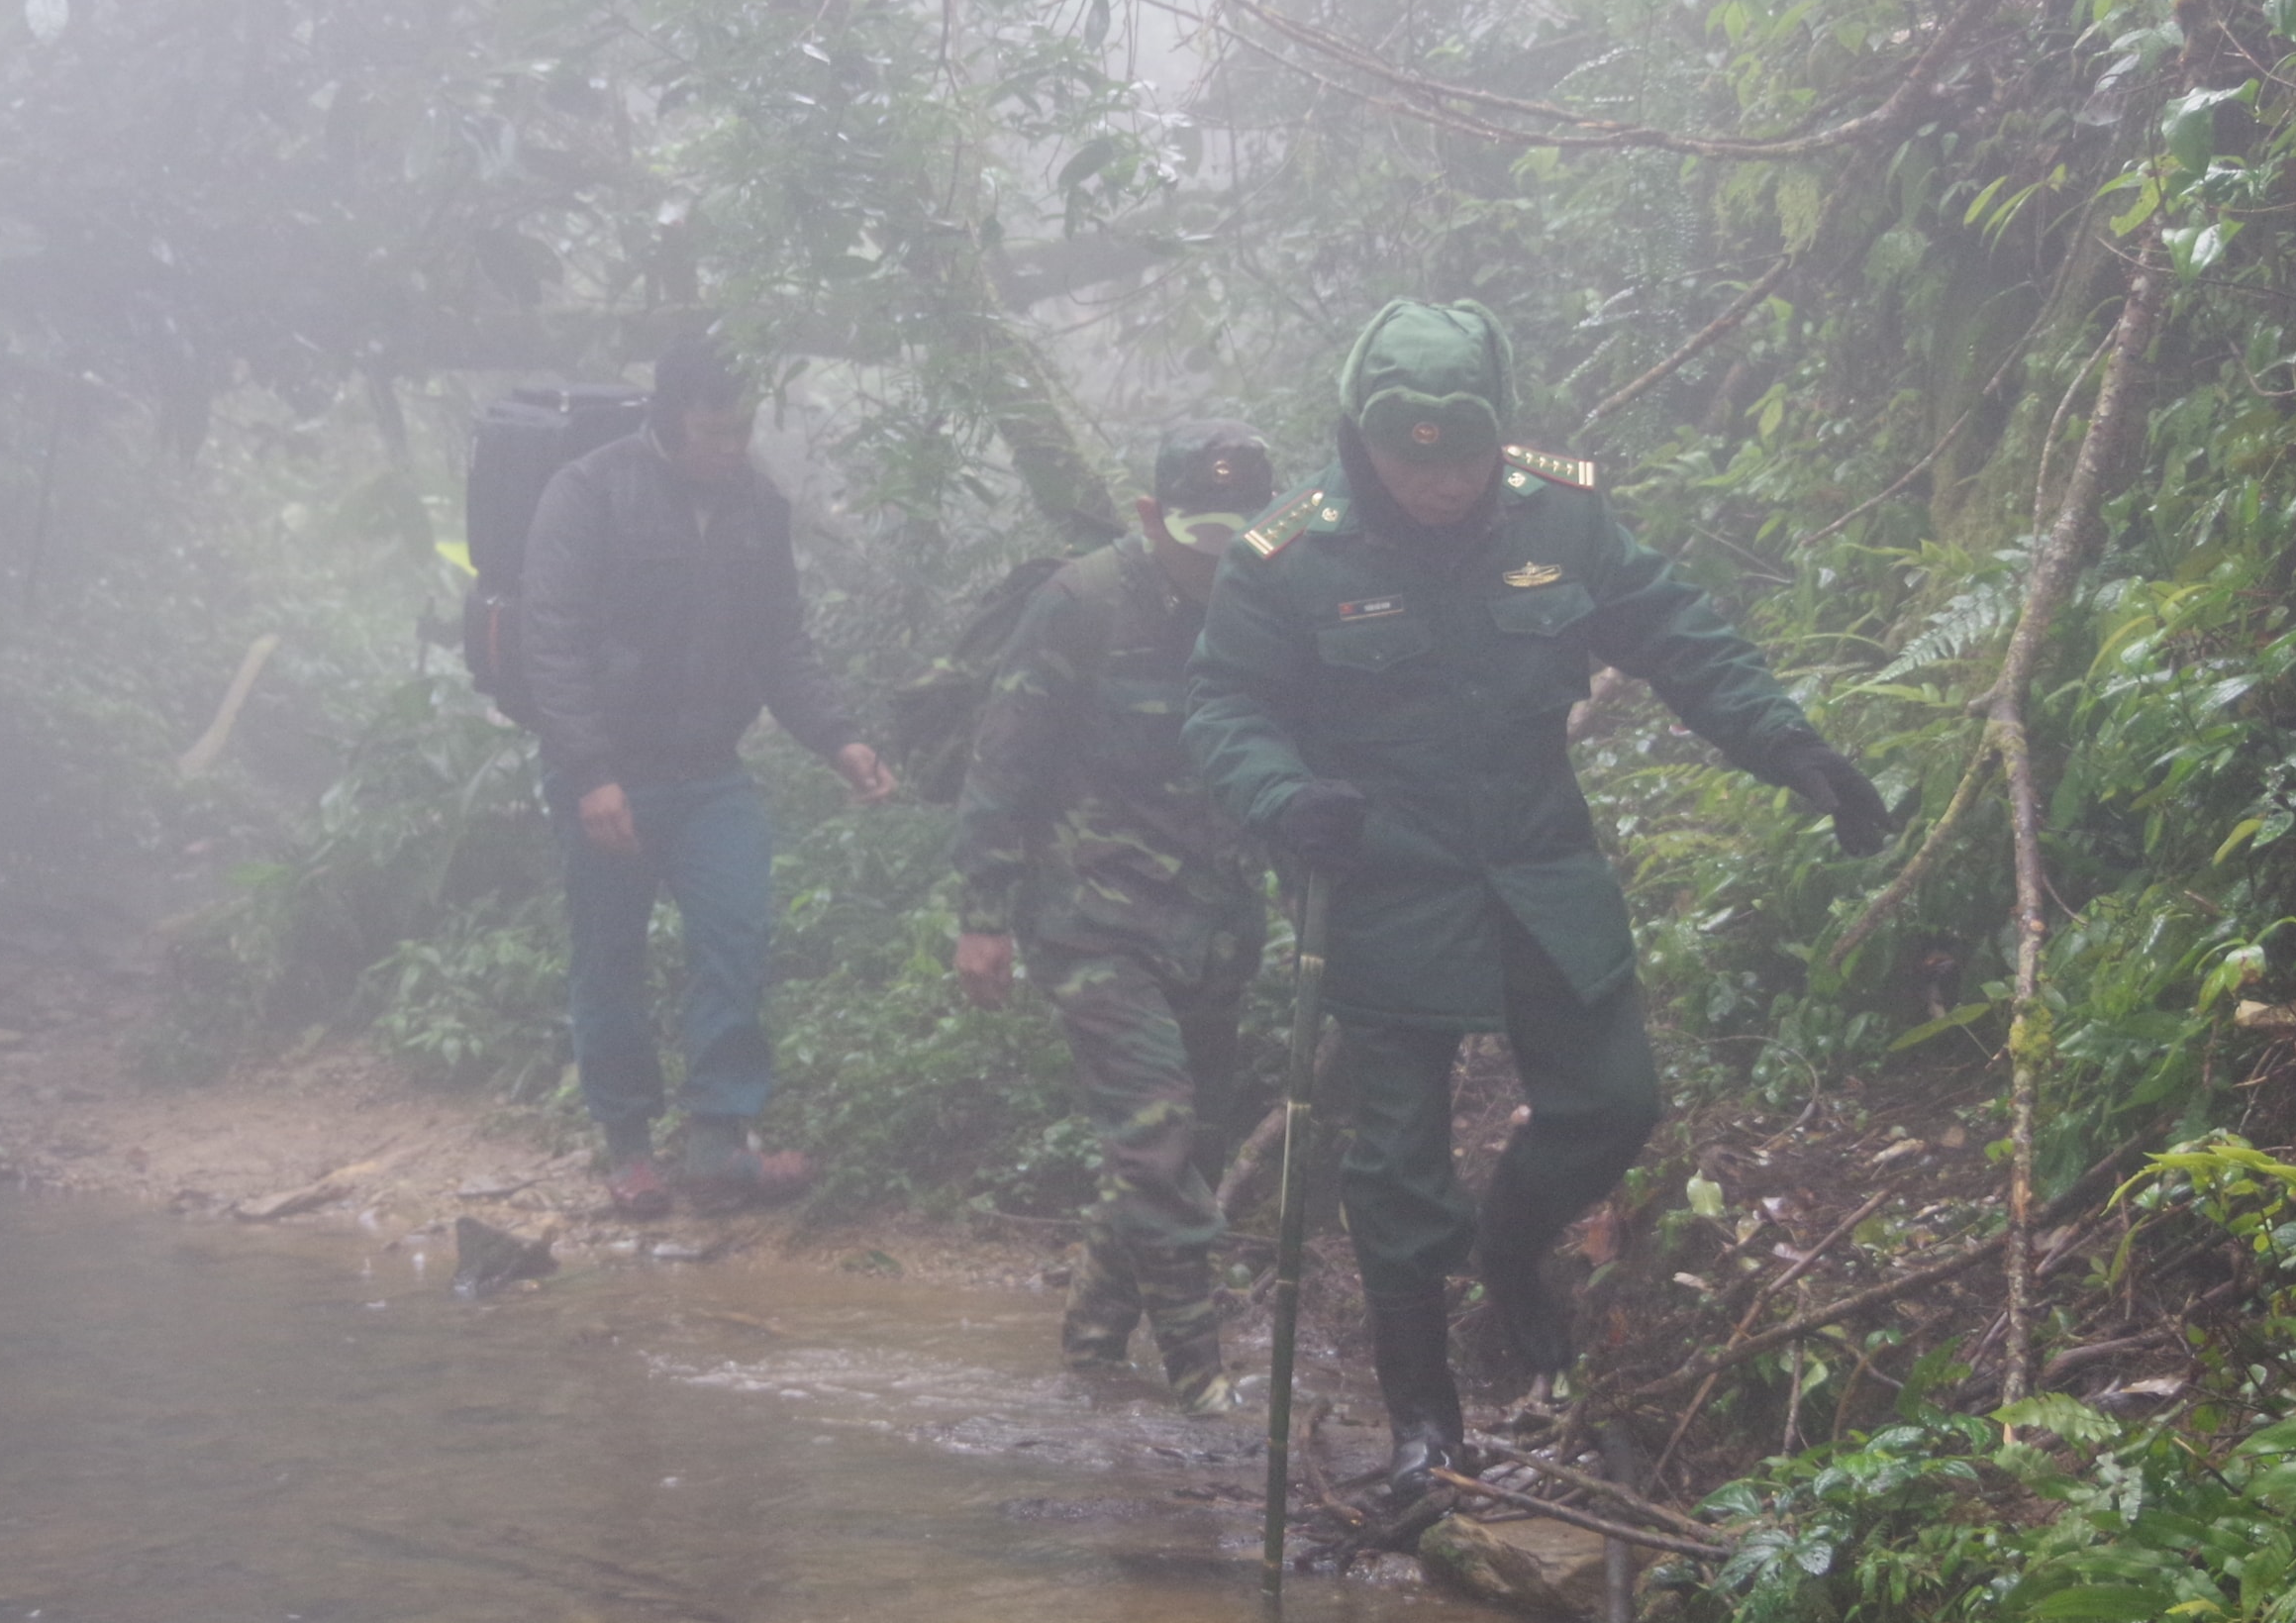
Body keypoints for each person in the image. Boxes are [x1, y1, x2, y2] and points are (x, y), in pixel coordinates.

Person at [1183, 298, 1893, 1490]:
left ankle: (1510, 1253)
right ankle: (1425, 1426)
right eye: (1418, 463)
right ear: (1365, 440)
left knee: (1614, 1101)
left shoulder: (1559, 513)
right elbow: (1225, 709)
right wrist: (1285, 795)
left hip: (1537, 865)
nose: (1446, 486)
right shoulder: (1288, 557)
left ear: (1498, 437)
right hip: (1382, 884)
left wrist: (1791, 750)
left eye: (1466, 459)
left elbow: (1679, 631)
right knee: (1397, 1162)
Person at [522, 330, 900, 1217]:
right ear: (666, 422)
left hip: (711, 774)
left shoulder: (756, 507)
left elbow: (781, 644)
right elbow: (552, 644)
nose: (730, 451)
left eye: (740, 431)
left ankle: (717, 1141)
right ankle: (627, 1149)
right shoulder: (587, 494)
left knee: (734, 937)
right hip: (611, 773)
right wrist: (590, 774)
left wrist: (839, 739)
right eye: (712, 434)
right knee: (608, 958)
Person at [948, 416, 1285, 1406]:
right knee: (1160, 1138)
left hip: (1216, 924)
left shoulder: (1274, 602)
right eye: (1197, 539)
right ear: (1150, 516)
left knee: (1187, 1147)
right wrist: (984, 914)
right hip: (1095, 918)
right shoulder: (1081, 602)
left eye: (1236, 537)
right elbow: (1002, 761)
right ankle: (1199, 1375)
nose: (1213, 563)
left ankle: (1093, 1348)